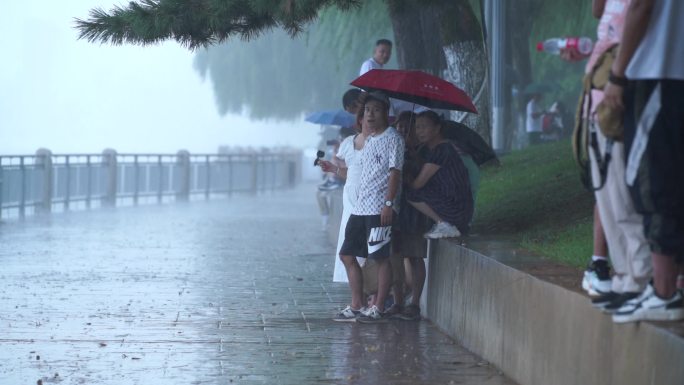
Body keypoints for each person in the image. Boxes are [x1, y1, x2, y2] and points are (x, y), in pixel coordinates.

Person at [600, 0, 684, 323]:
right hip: (671, 72)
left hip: (656, 72)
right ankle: (673, 285)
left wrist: (617, 76)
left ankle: (664, 292)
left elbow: (640, 5)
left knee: (654, 182)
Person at [333, 91, 405, 322]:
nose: (370, 114)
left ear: (386, 113)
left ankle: (379, 307)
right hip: (359, 208)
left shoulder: (393, 139)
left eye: (375, 110)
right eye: (366, 111)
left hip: (378, 208)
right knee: (346, 254)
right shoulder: (369, 139)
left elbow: (395, 173)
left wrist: (388, 204)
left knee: (380, 257)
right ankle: (357, 304)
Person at [320, 92, 372, 283]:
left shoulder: (383, 142)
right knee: (349, 252)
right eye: (361, 116)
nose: (365, 120)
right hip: (351, 202)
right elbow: (352, 174)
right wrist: (333, 168)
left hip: (372, 204)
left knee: (370, 252)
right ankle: (359, 298)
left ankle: (374, 296)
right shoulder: (349, 143)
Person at [407, 110, 473, 239]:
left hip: (456, 209)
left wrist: (405, 178)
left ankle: (444, 224)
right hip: (460, 208)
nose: (420, 132)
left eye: (424, 127)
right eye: (417, 127)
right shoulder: (435, 149)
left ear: (437, 129)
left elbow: (417, 184)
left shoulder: (442, 150)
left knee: (411, 194)